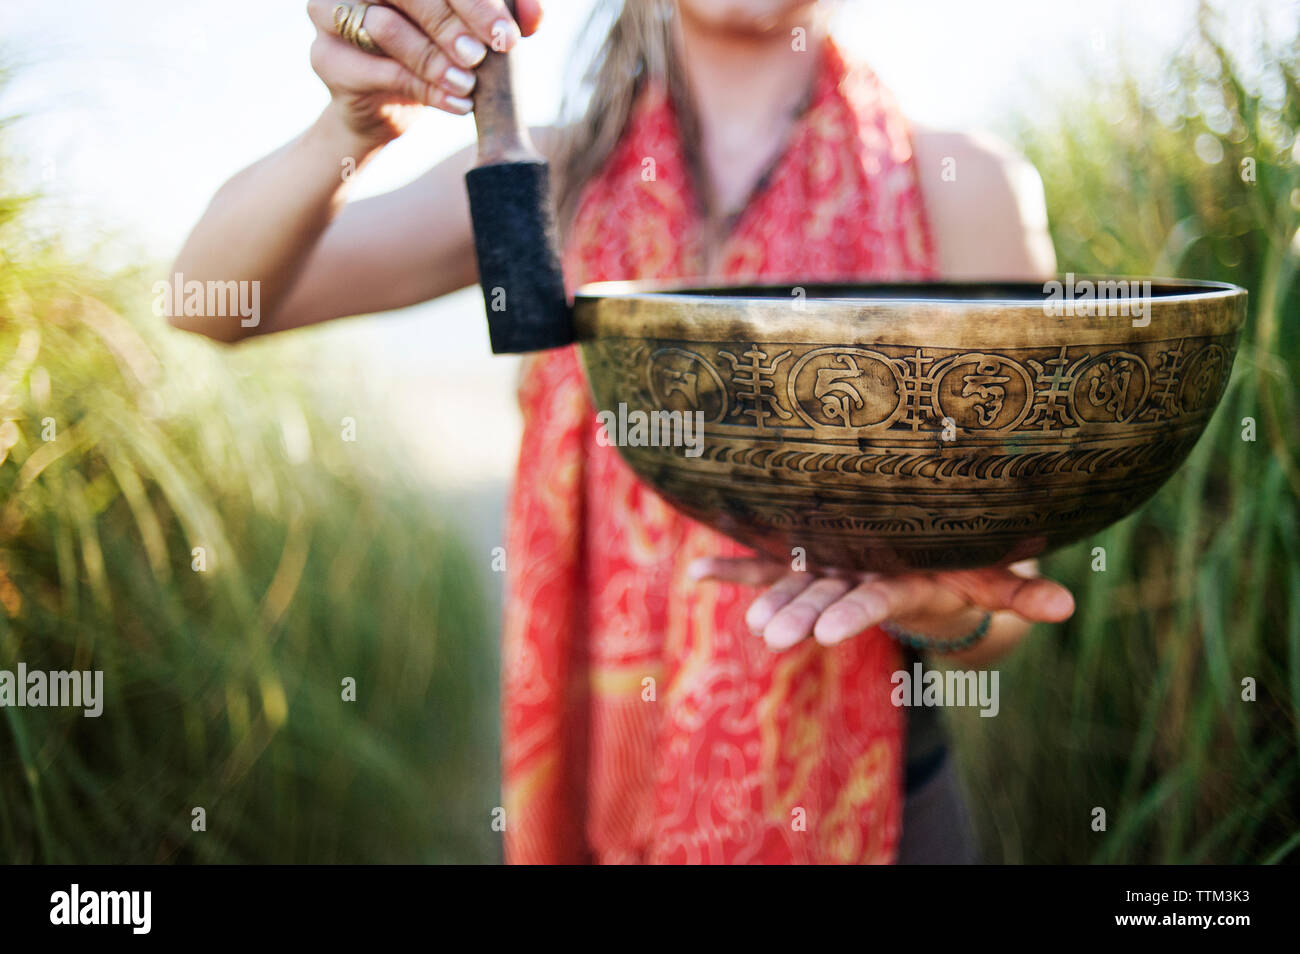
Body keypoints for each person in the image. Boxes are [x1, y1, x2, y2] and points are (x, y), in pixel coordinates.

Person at [169, 0, 1076, 864]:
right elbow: (209, 302)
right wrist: (351, 127)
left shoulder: (962, 187)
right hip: (602, 792)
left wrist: (938, 602)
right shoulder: (545, 178)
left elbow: (1006, 605)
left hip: (877, 811)